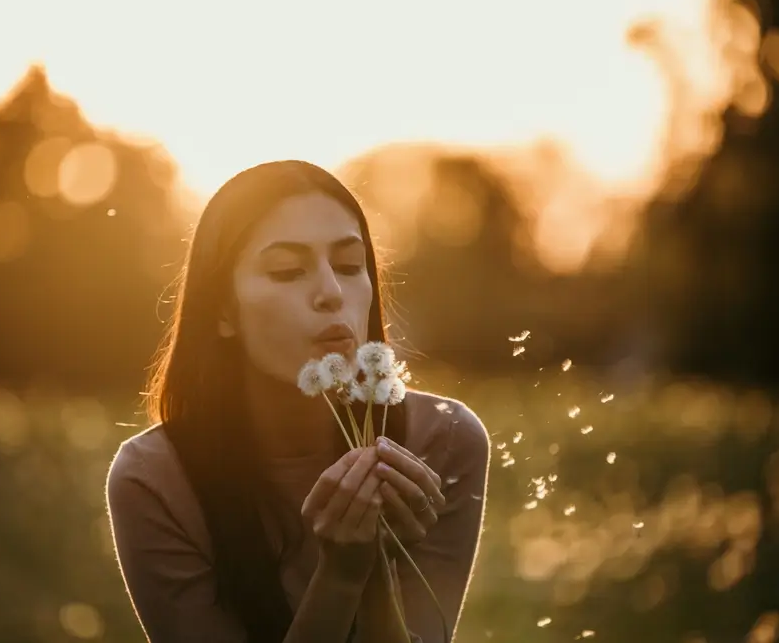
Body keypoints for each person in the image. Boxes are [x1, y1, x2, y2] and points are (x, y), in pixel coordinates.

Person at [105, 160, 490, 643]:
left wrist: (374, 575)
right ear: (222, 309)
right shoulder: (155, 481)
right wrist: (340, 576)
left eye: (350, 266)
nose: (332, 293)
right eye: (287, 271)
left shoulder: (443, 441)